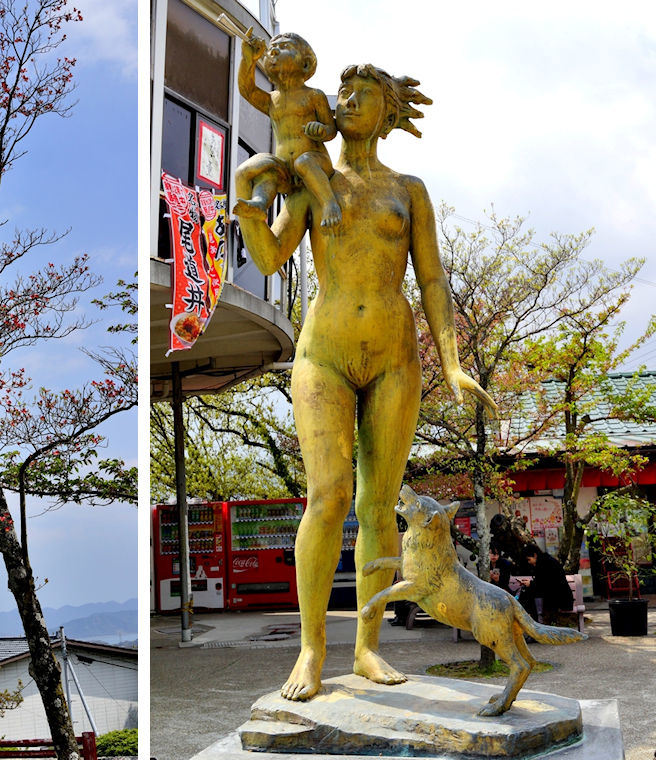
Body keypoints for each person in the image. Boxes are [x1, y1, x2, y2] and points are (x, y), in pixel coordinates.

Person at [235, 62, 497, 702]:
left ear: (386, 113)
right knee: (327, 496)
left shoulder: (409, 190)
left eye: (365, 95)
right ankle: (311, 647)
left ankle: (368, 647)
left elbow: (432, 278)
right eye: (344, 92)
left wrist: (453, 360)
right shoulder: (309, 178)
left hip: (394, 356)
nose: (349, 101)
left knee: (379, 505)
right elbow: (270, 257)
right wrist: (244, 192)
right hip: (322, 352)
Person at [233, 32, 340, 228]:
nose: (273, 51)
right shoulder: (272, 100)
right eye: (272, 48)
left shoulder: (314, 96)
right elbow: (247, 90)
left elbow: (332, 129)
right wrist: (248, 59)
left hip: (316, 162)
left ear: (305, 64)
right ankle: (259, 203)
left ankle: (330, 203)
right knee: (268, 171)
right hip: (286, 171)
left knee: (304, 161)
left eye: (284, 47)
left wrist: (321, 130)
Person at [518, 544, 573, 623]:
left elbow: (546, 585)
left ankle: (535, 624)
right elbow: (544, 583)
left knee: (529, 595)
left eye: (529, 559)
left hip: (558, 598)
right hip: (556, 596)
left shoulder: (544, 564)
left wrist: (531, 584)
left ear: (535, 555)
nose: (529, 562)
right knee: (529, 594)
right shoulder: (545, 561)